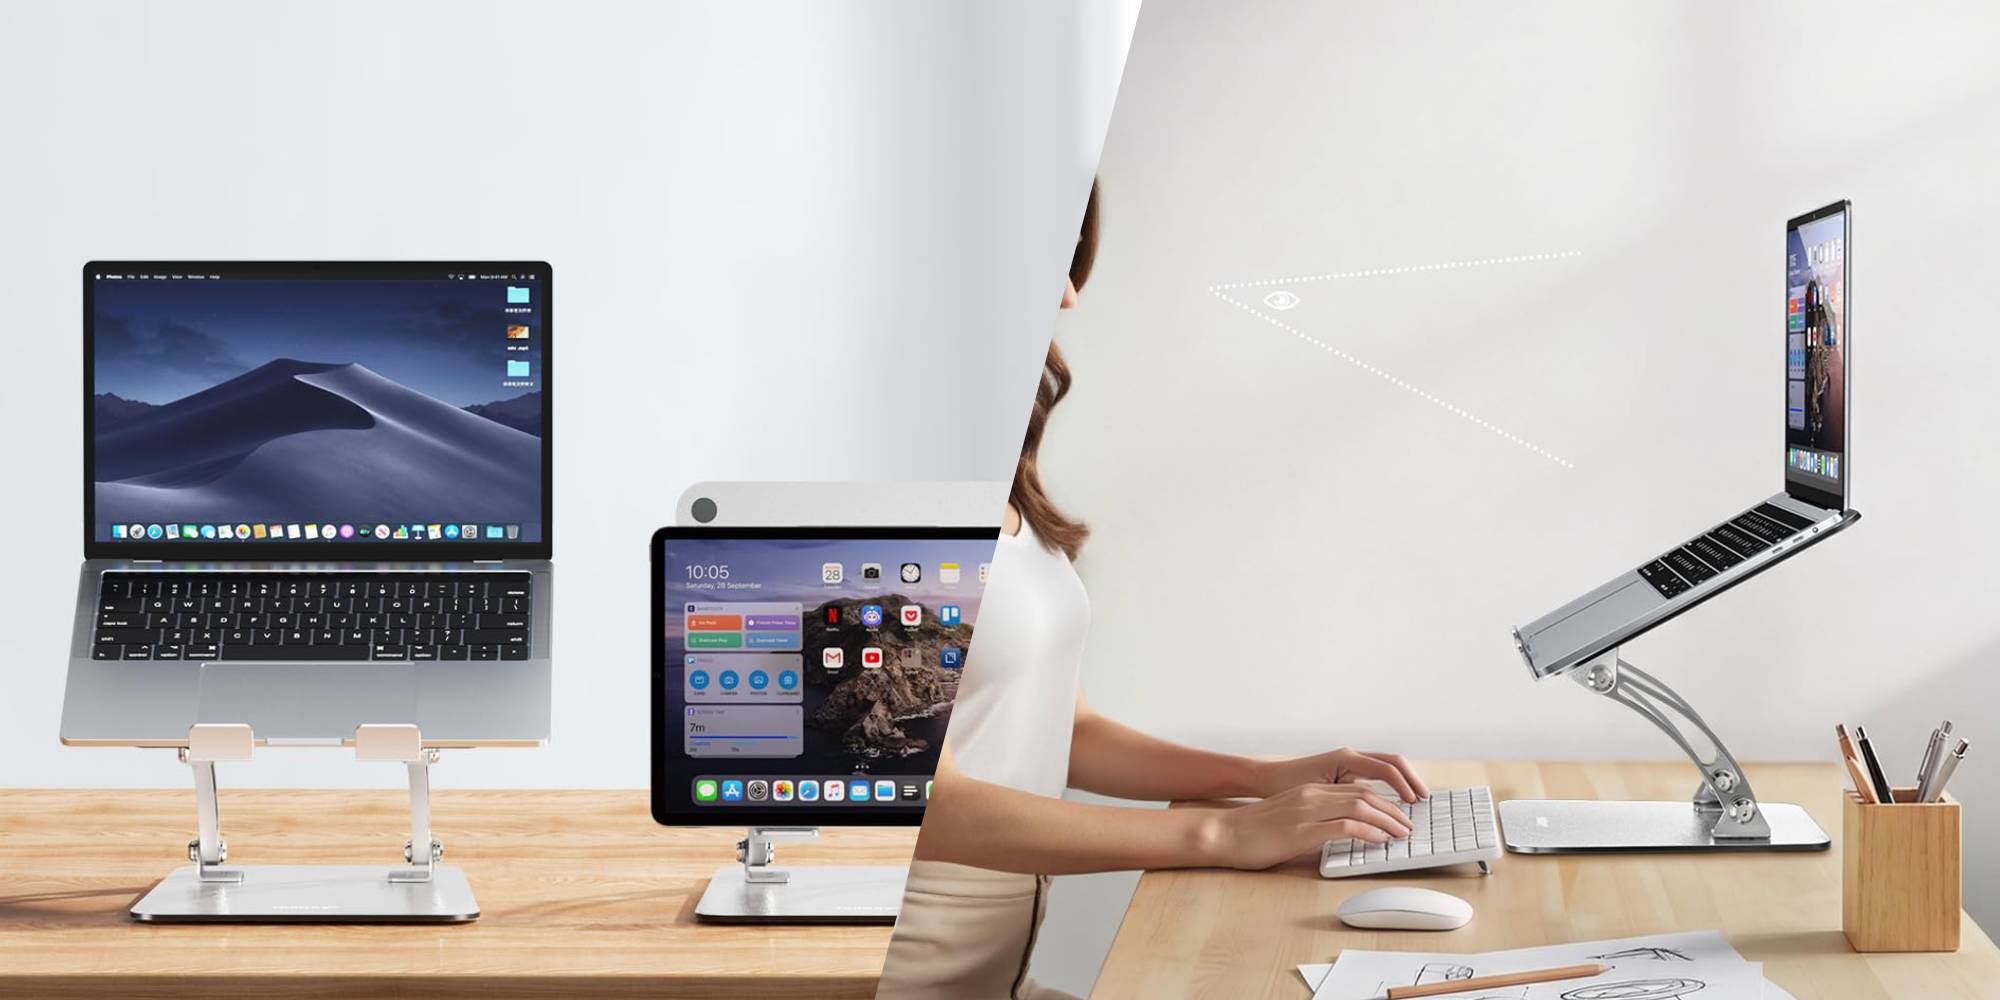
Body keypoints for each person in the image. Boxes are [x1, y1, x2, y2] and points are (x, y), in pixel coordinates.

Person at [876, 181, 1429, 1000]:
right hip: (902, 965)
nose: (1069, 293)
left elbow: (1070, 728)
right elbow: (927, 799)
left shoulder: (990, 469)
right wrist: (1222, 833)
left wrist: (1263, 778)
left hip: (994, 970)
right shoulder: (880, 482)